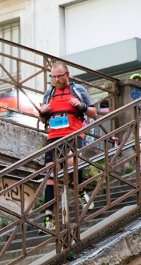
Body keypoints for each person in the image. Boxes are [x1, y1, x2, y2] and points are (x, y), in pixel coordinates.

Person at [37, 62, 98, 230]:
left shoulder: (77, 90)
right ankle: (48, 217)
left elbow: (93, 113)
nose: (56, 80)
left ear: (67, 74)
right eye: (53, 77)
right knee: (50, 172)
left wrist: (81, 106)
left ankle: (80, 191)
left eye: (59, 76)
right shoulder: (49, 93)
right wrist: (43, 111)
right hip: (54, 137)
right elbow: (42, 120)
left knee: (71, 162)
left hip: (73, 134)